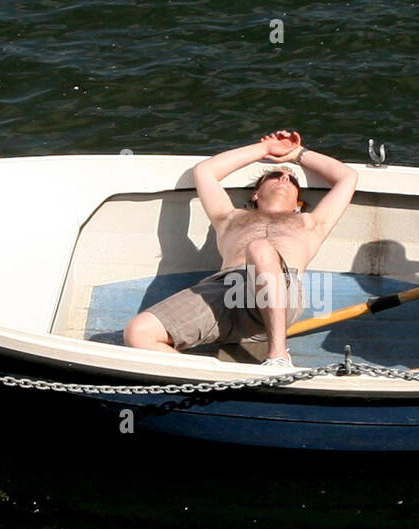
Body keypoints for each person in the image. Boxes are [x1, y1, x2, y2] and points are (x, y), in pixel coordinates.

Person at [123, 130, 358, 367]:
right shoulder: (229, 217)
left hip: (279, 296)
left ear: (299, 205)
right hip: (224, 291)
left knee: (260, 249)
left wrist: (296, 153)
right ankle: (211, 379)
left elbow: (347, 177)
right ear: (255, 194)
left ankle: (278, 356)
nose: (285, 177)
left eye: (292, 179)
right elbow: (205, 172)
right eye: (276, 175)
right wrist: (265, 149)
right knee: (137, 332)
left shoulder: (310, 223)